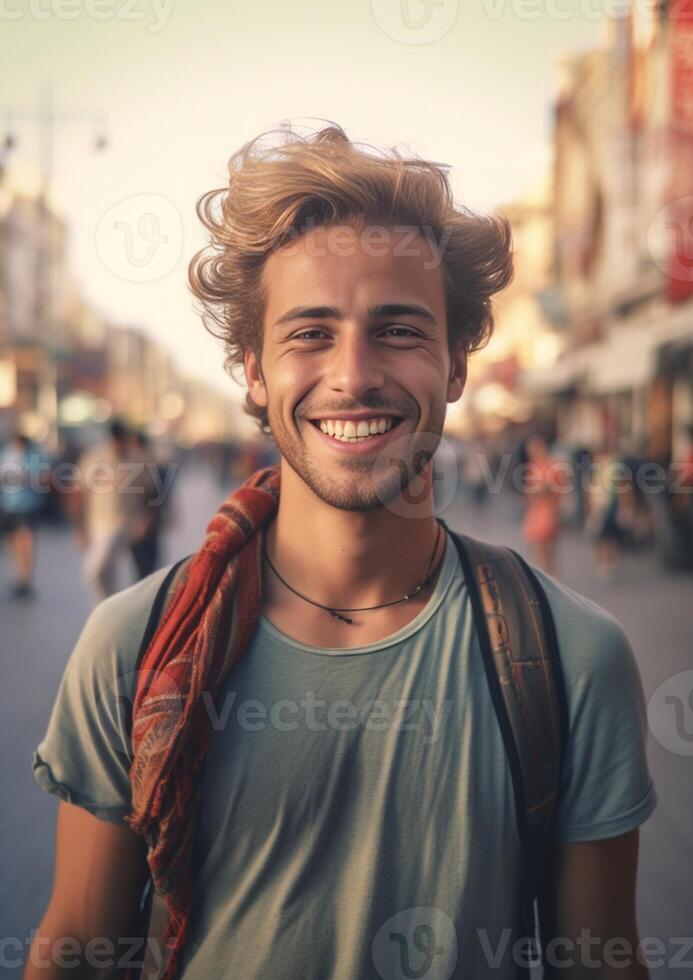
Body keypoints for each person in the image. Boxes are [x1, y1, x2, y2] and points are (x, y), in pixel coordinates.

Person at [28, 125, 656, 980]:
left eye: (398, 330)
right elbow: (74, 951)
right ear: (252, 370)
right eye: (309, 334)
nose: (353, 375)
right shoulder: (135, 645)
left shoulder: (569, 656)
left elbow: (599, 962)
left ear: (456, 363)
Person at [72, 419, 148, 603]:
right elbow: (79, 492)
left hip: (125, 524)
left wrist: (145, 520)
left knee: (104, 570)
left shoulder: (137, 461)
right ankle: (106, 606)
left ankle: (107, 608)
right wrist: (79, 526)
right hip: (98, 523)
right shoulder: (94, 459)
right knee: (98, 571)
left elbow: (148, 494)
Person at [0, 431, 48, 599]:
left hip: (27, 505)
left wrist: (25, 478)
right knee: (13, 543)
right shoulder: (6, 453)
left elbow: (43, 478)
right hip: (9, 504)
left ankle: (26, 578)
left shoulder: (35, 456)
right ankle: (19, 576)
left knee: (26, 542)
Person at [520, 432, 567, 576]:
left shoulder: (553, 466)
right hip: (535, 513)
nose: (533, 451)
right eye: (530, 448)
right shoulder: (533, 467)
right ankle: (544, 580)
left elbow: (551, 490)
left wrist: (539, 491)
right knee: (537, 552)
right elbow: (529, 492)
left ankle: (550, 580)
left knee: (547, 552)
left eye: (535, 447)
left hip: (549, 512)